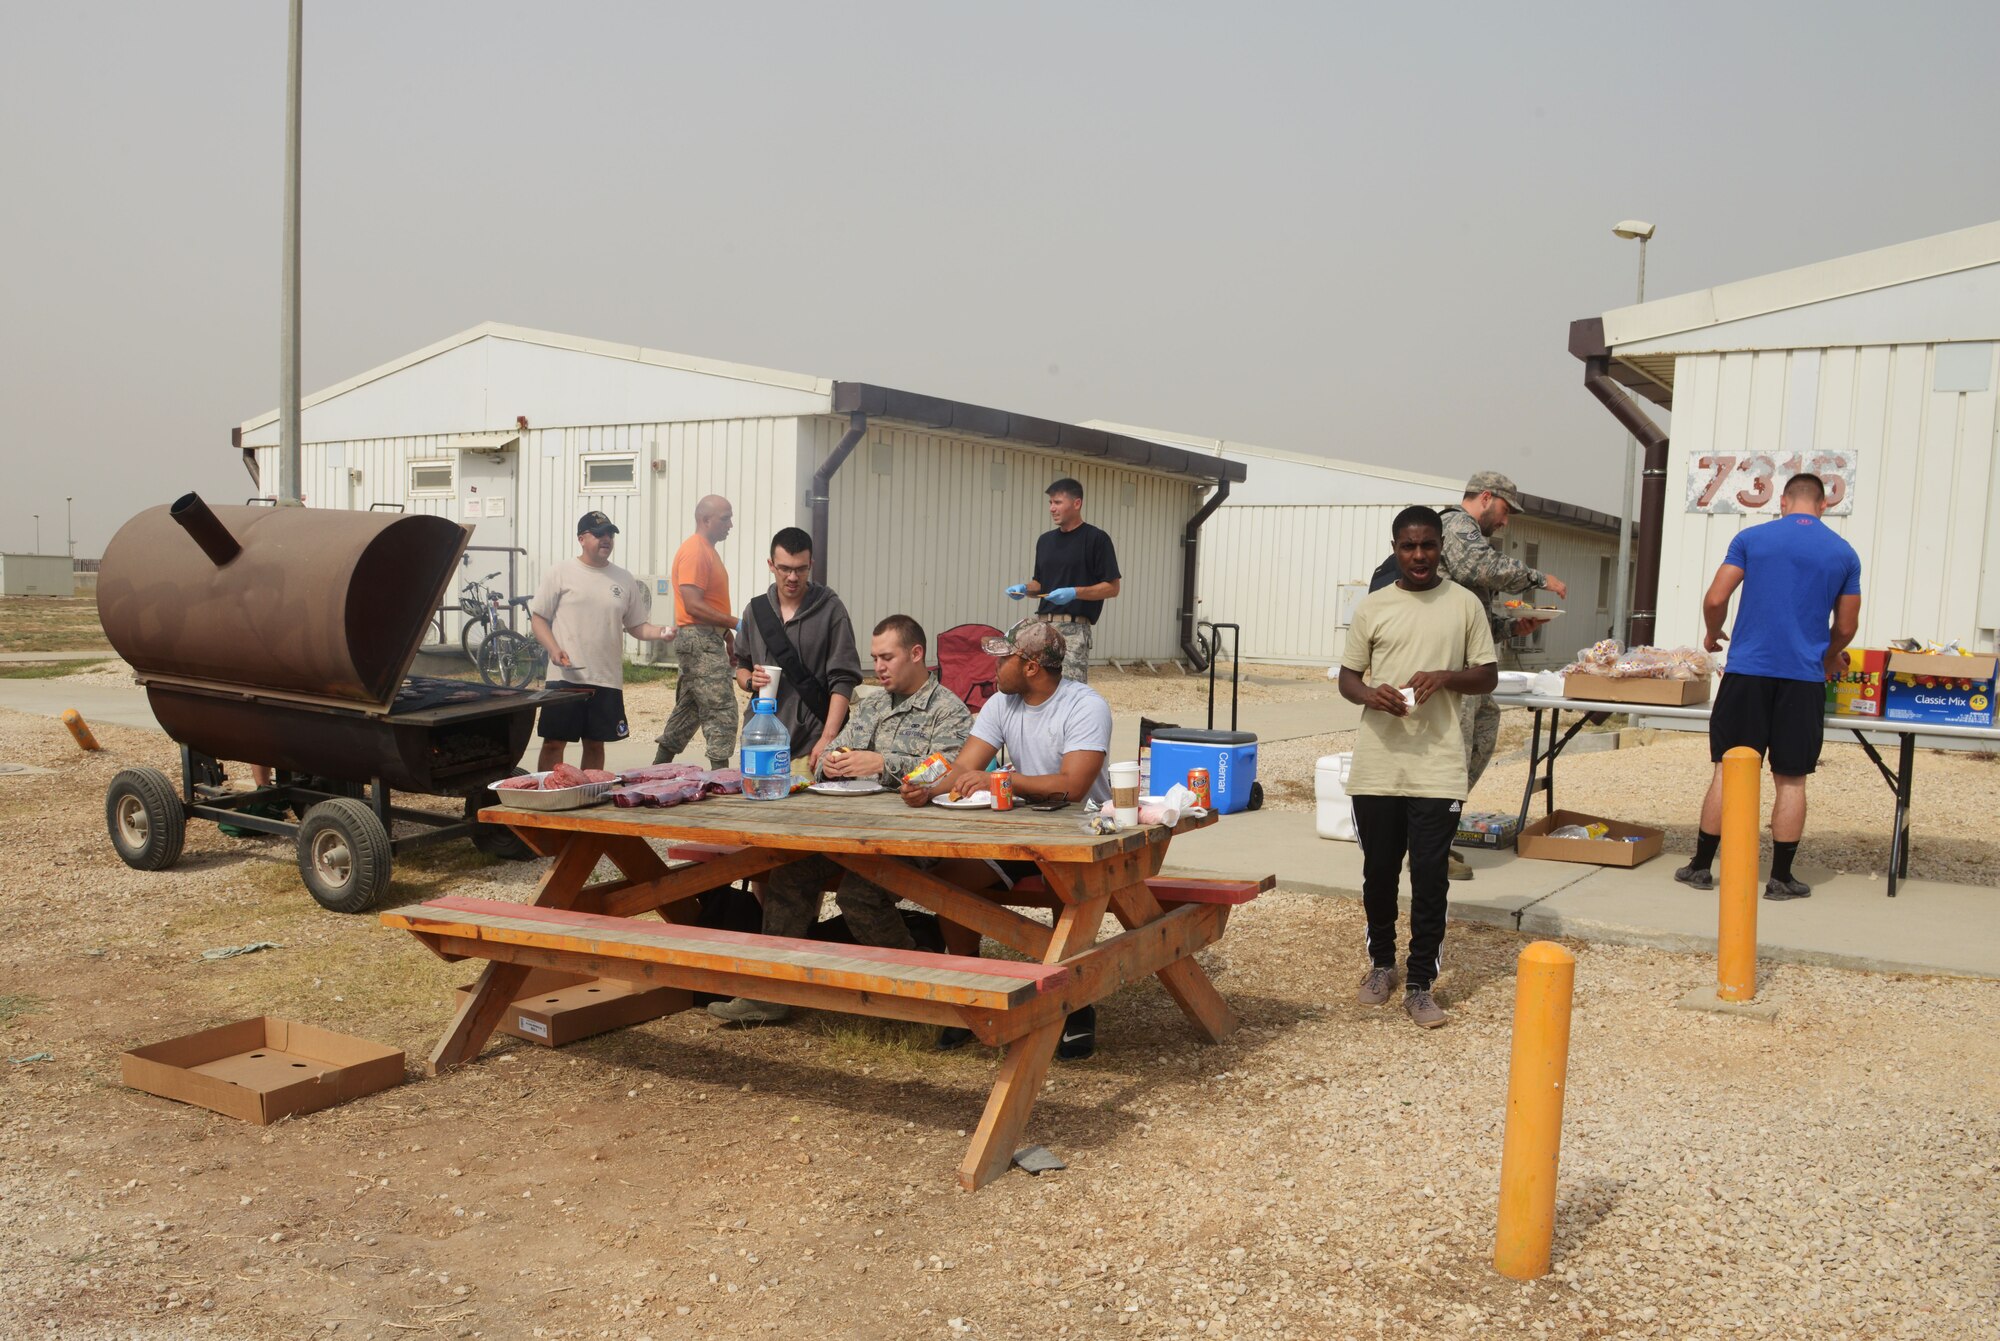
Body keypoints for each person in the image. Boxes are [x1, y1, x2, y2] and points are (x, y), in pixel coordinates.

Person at [707, 615, 974, 1026]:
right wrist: (831, 763)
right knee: (789, 873)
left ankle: (921, 986)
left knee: (859, 894)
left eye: (887, 657)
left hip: (911, 838)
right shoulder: (873, 704)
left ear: (917, 654)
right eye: (874, 658)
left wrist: (885, 764)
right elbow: (839, 751)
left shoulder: (948, 710)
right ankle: (770, 993)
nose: (878, 667)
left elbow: (950, 771)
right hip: (850, 834)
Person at [903, 621, 1111, 1058]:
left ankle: (1075, 1005)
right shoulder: (1002, 702)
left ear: (1032, 667)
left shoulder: (1086, 706)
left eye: (1004, 658)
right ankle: (972, 991)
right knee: (948, 882)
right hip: (1022, 831)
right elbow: (963, 768)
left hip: (1083, 836)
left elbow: (1073, 787)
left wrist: (1001, 779)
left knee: (1067, 890)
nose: (993, 665)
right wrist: (928, 786)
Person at [1337, 505, 1498, 1029]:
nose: (1419, 555)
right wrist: (1371, 693)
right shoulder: (1373, 607)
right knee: (1378, 873)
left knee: (1430, 877)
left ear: (1440, 548)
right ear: (1395, 549)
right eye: (1409, 546)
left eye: (1428, 545)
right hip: (1379, 766)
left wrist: (1448, 677)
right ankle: (1381, 966)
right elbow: (1347, 679)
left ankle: (1420, 984)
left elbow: (1488, 676)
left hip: (1439, 766)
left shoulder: (1466, 604)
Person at [1676, 473, 1861, 900]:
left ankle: (1702, 867)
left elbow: (1716, 599)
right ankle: (1780, 878)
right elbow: (1847, 625)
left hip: (1748, 672)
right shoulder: (1843, 553)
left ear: (1782, 501)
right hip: (1804, 678)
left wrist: (1712, 633)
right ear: (1823, 505)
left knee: (1729, 766)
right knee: (1791, 778)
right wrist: (1829, 654)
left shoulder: (1752, 539)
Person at [1436, 471, 1568, 882]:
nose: (1506, 521)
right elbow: (1481, 565)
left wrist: (1514, 628)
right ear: (1487, 497)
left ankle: (1436, 834)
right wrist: (1537, 578)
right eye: (1506, 511)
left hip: (1469, 664)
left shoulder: (1469, 533)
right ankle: (1431, 848)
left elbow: (1476, 616)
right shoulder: (1457, 525)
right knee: (1451, 758)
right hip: (1451, 666)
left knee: (1481, 735)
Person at [528, 511, 674, 773]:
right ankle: (547, 795)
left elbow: (637, 626)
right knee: (553, 743)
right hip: (565, 677)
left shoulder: (623, 578)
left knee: (595, 744)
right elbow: (538, 618)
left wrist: (661, 632)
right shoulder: (561, 572)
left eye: (610, 534)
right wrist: (553, 648)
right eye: (599, 534)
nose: (606, 539)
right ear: (581, 538)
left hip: (605, 677)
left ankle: (590, 795)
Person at [733, 527, 864, 772]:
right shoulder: (755, 610)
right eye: (785, 568)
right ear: (771, 565)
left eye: (800, 569)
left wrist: (828, 738)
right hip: (762, 741)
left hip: (812, 744)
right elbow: (741, 665)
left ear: (810, 565)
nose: (792, 577)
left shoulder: (831, 609)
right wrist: (751, 681)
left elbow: (843, 679)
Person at [1003, 477, 1120, 682]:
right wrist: (1024, 589)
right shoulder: (1045, 541)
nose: (1052, 508)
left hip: (1073, 632)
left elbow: (1112, 588)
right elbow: (1040, 584)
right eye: (1050, 503)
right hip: (1042, 629)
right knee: (1037, 687)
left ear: (1076, 503)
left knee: (1068, 691)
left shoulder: (1096, 539)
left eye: (1057, 502)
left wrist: (1074, 593)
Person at [653, 495, 738, 770]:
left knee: (689, 709)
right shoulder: (696, 551)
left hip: (704, 637)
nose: (730, 524)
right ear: (705, 520)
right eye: (725, 518)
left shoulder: (706, 550)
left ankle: (656, 770)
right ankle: (721, 777)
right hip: (699, 639)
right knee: (721, 708)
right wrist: (737, 623)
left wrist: (726, 634)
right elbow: (693, 604)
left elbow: (707, 605)